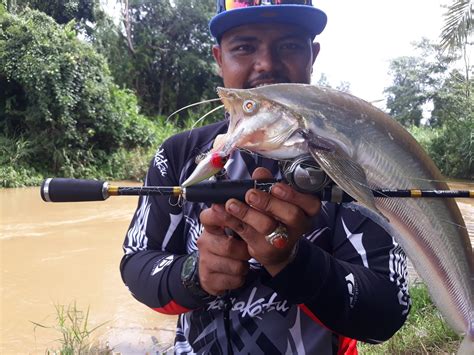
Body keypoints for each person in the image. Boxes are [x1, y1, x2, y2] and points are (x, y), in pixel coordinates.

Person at [120, 1, 410, 354]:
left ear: (312, 55)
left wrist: (293, 262)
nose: (266, 64)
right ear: (218, 58)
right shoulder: (179, 154)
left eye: (288, 45)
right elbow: (136, 261)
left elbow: (386, 312)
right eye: (243, 47)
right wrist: (196, 274)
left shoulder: (354, 162)